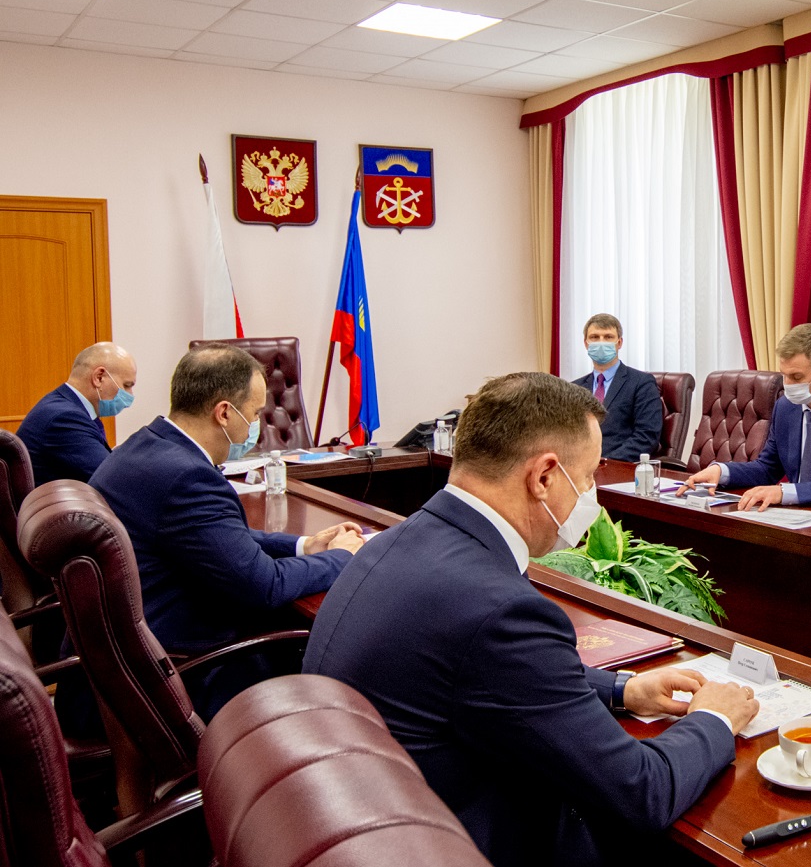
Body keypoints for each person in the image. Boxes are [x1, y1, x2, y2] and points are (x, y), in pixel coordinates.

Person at [304, 372, 757, 865]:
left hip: (363, 827)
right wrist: (715, 717)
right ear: (543, 477)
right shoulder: (500, 611)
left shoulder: (395, 542)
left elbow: (484, 674)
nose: (591, 494)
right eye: (588, 477)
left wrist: (622, 689)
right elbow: (642, 792)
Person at [88, 344, 363, 716]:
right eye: (255, 413)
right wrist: (342, 557)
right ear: (224, 413)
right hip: (181, 672)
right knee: (334, 648)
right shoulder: (187, 477)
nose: (257, 424)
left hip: (124, 659)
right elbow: (265, 585)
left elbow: (220, 539)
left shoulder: (144, 447)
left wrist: (303, 545)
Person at [680, 324, 811, 510]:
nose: (788, 385)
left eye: (796, 377)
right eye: (784, 375)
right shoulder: (786, 407)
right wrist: (722, 471)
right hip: (801, 515)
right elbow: (767, 468)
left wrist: (784, 492)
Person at [17, 342, 138, 485]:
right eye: (126, 385)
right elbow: (114, 481)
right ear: (99, 377)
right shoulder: (64, 418)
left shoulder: (65, 406)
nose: (130, 395)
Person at [571, 313, 663, 462]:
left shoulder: (641, 383)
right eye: (594, 337)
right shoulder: (574, 388)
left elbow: (647, 436)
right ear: (586, 344)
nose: (601, 342)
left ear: (619, 343)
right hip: (577, 467)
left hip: (618, 466)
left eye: (608, 337)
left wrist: (605, 462)